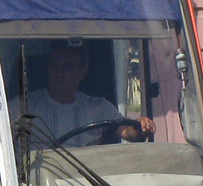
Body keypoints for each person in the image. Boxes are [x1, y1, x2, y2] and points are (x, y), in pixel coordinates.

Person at [19, 41, 154, 147]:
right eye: (54, 66)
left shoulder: (98, 107)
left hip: (86, 180)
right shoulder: (23, 107)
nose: (58, 73)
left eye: (67, 67)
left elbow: (128, 132)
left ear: (82, 72)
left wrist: (141, 126)